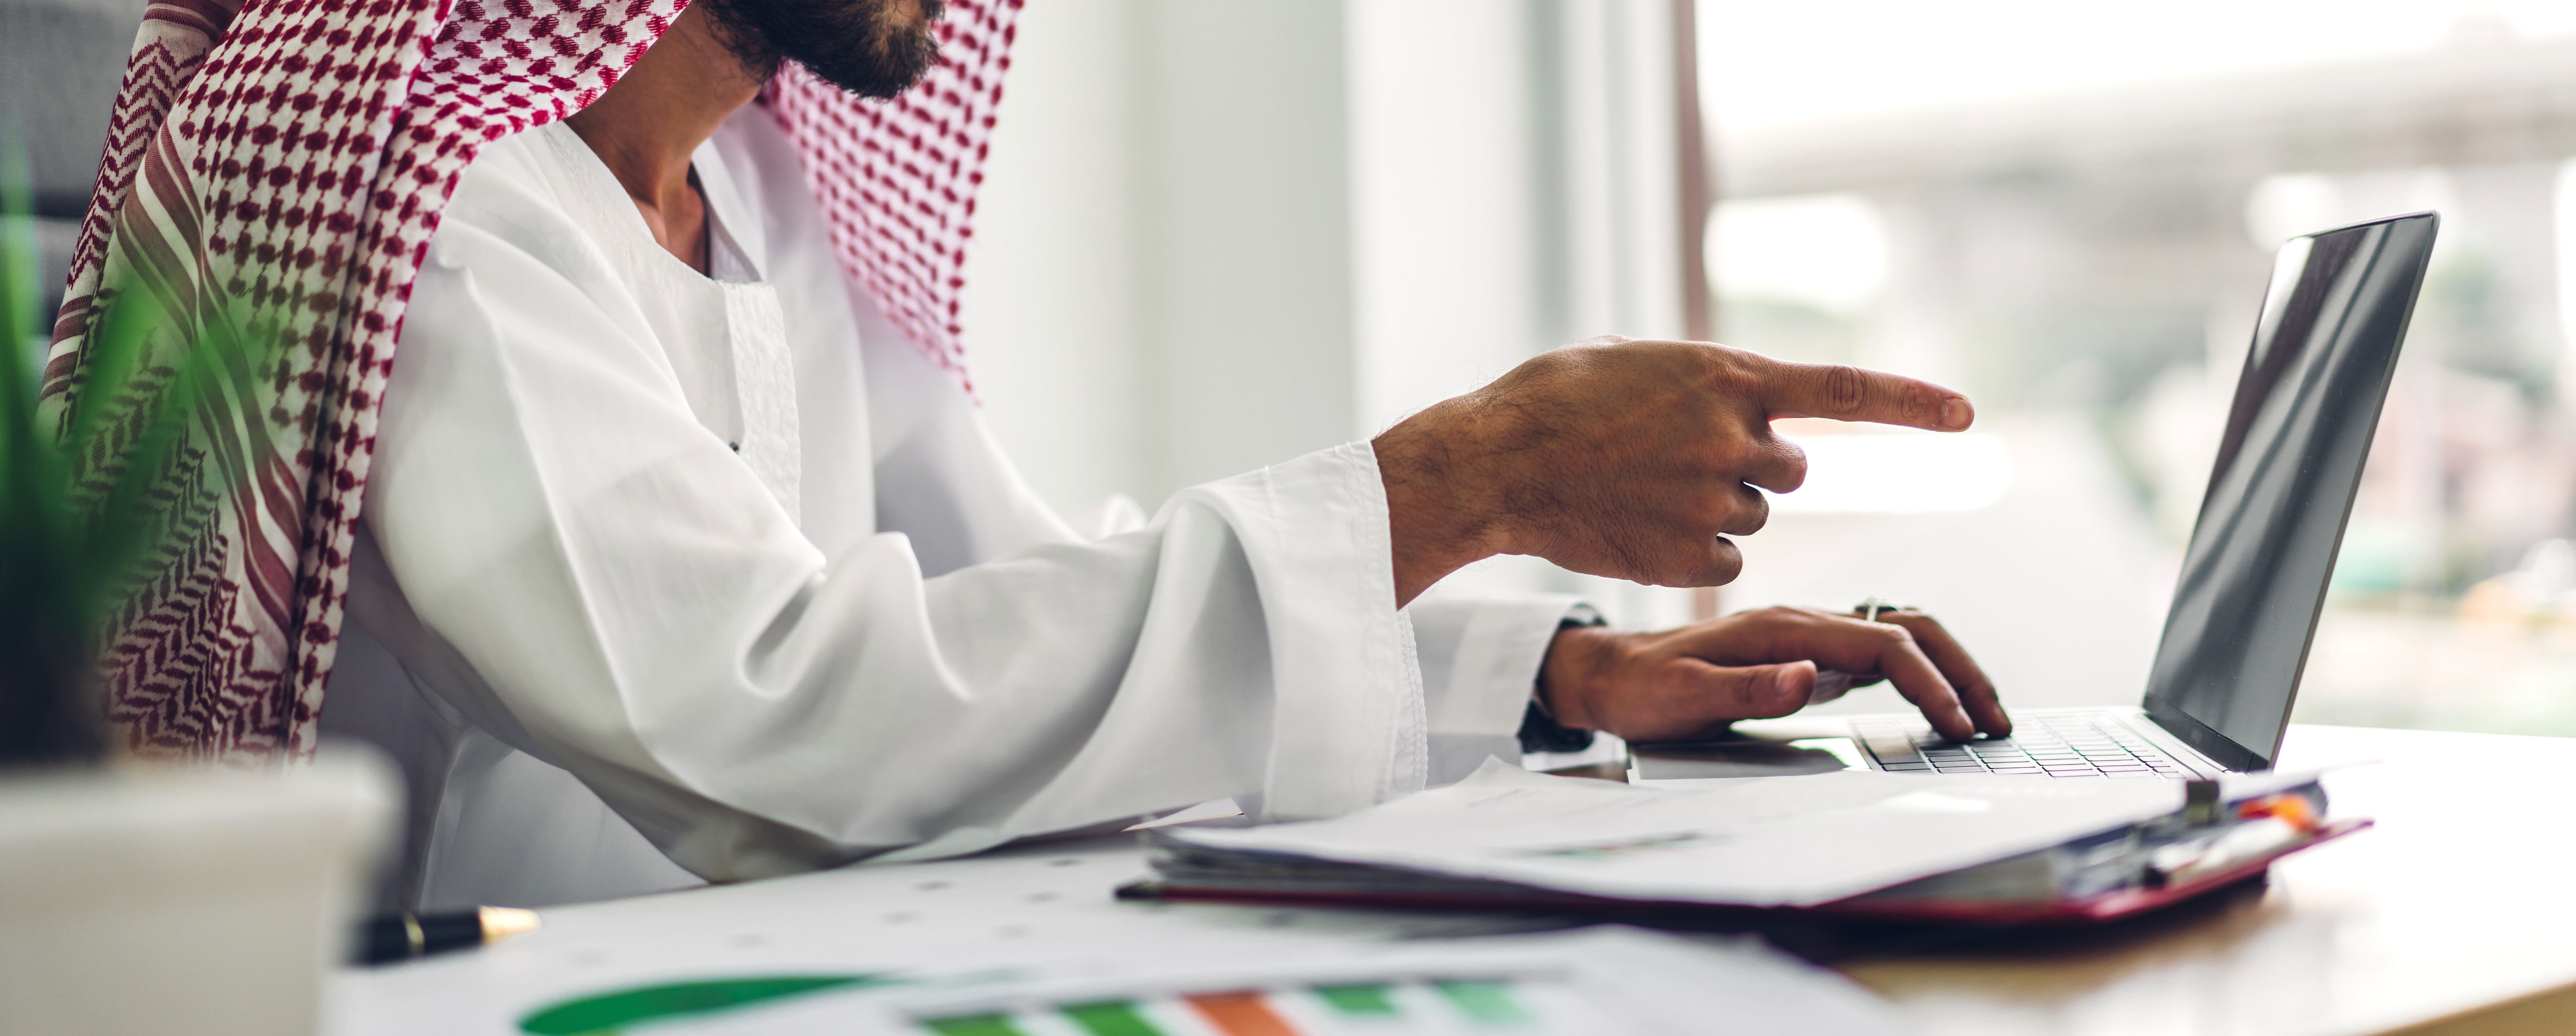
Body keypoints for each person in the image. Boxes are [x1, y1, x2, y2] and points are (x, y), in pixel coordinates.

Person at [68, 0, 2008, 910]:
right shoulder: (425, 199)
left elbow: (1005, 605)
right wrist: (1468, 474)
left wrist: (1548, 674)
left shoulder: (756, 185)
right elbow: (793, 722)